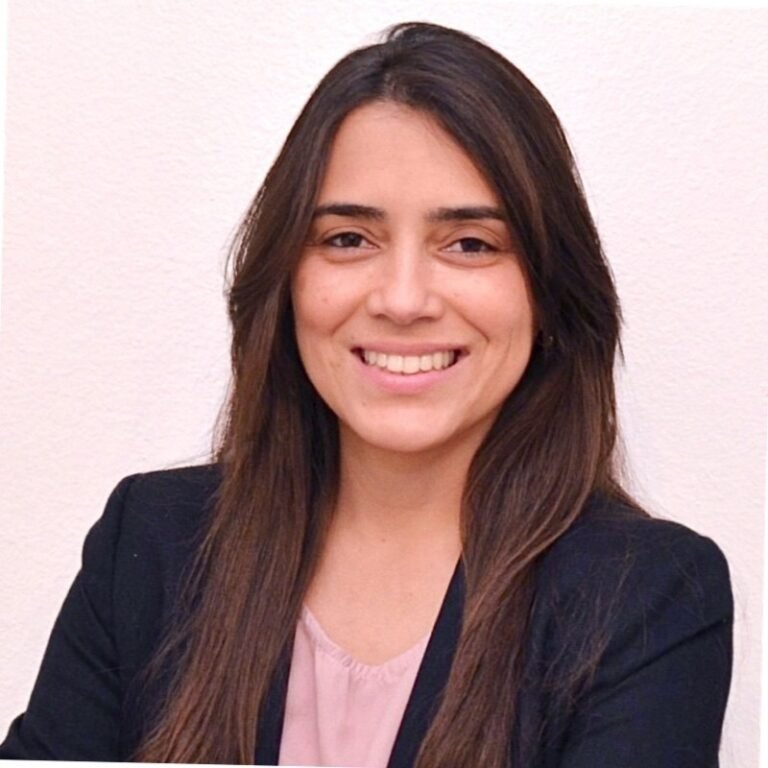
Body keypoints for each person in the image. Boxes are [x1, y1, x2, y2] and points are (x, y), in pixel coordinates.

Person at [0, 21, 732, 768]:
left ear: (549, 294)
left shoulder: (649, 597)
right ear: (287, 280)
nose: (403, 299)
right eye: (348, 239)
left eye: (470, 244)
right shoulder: (150, 543)